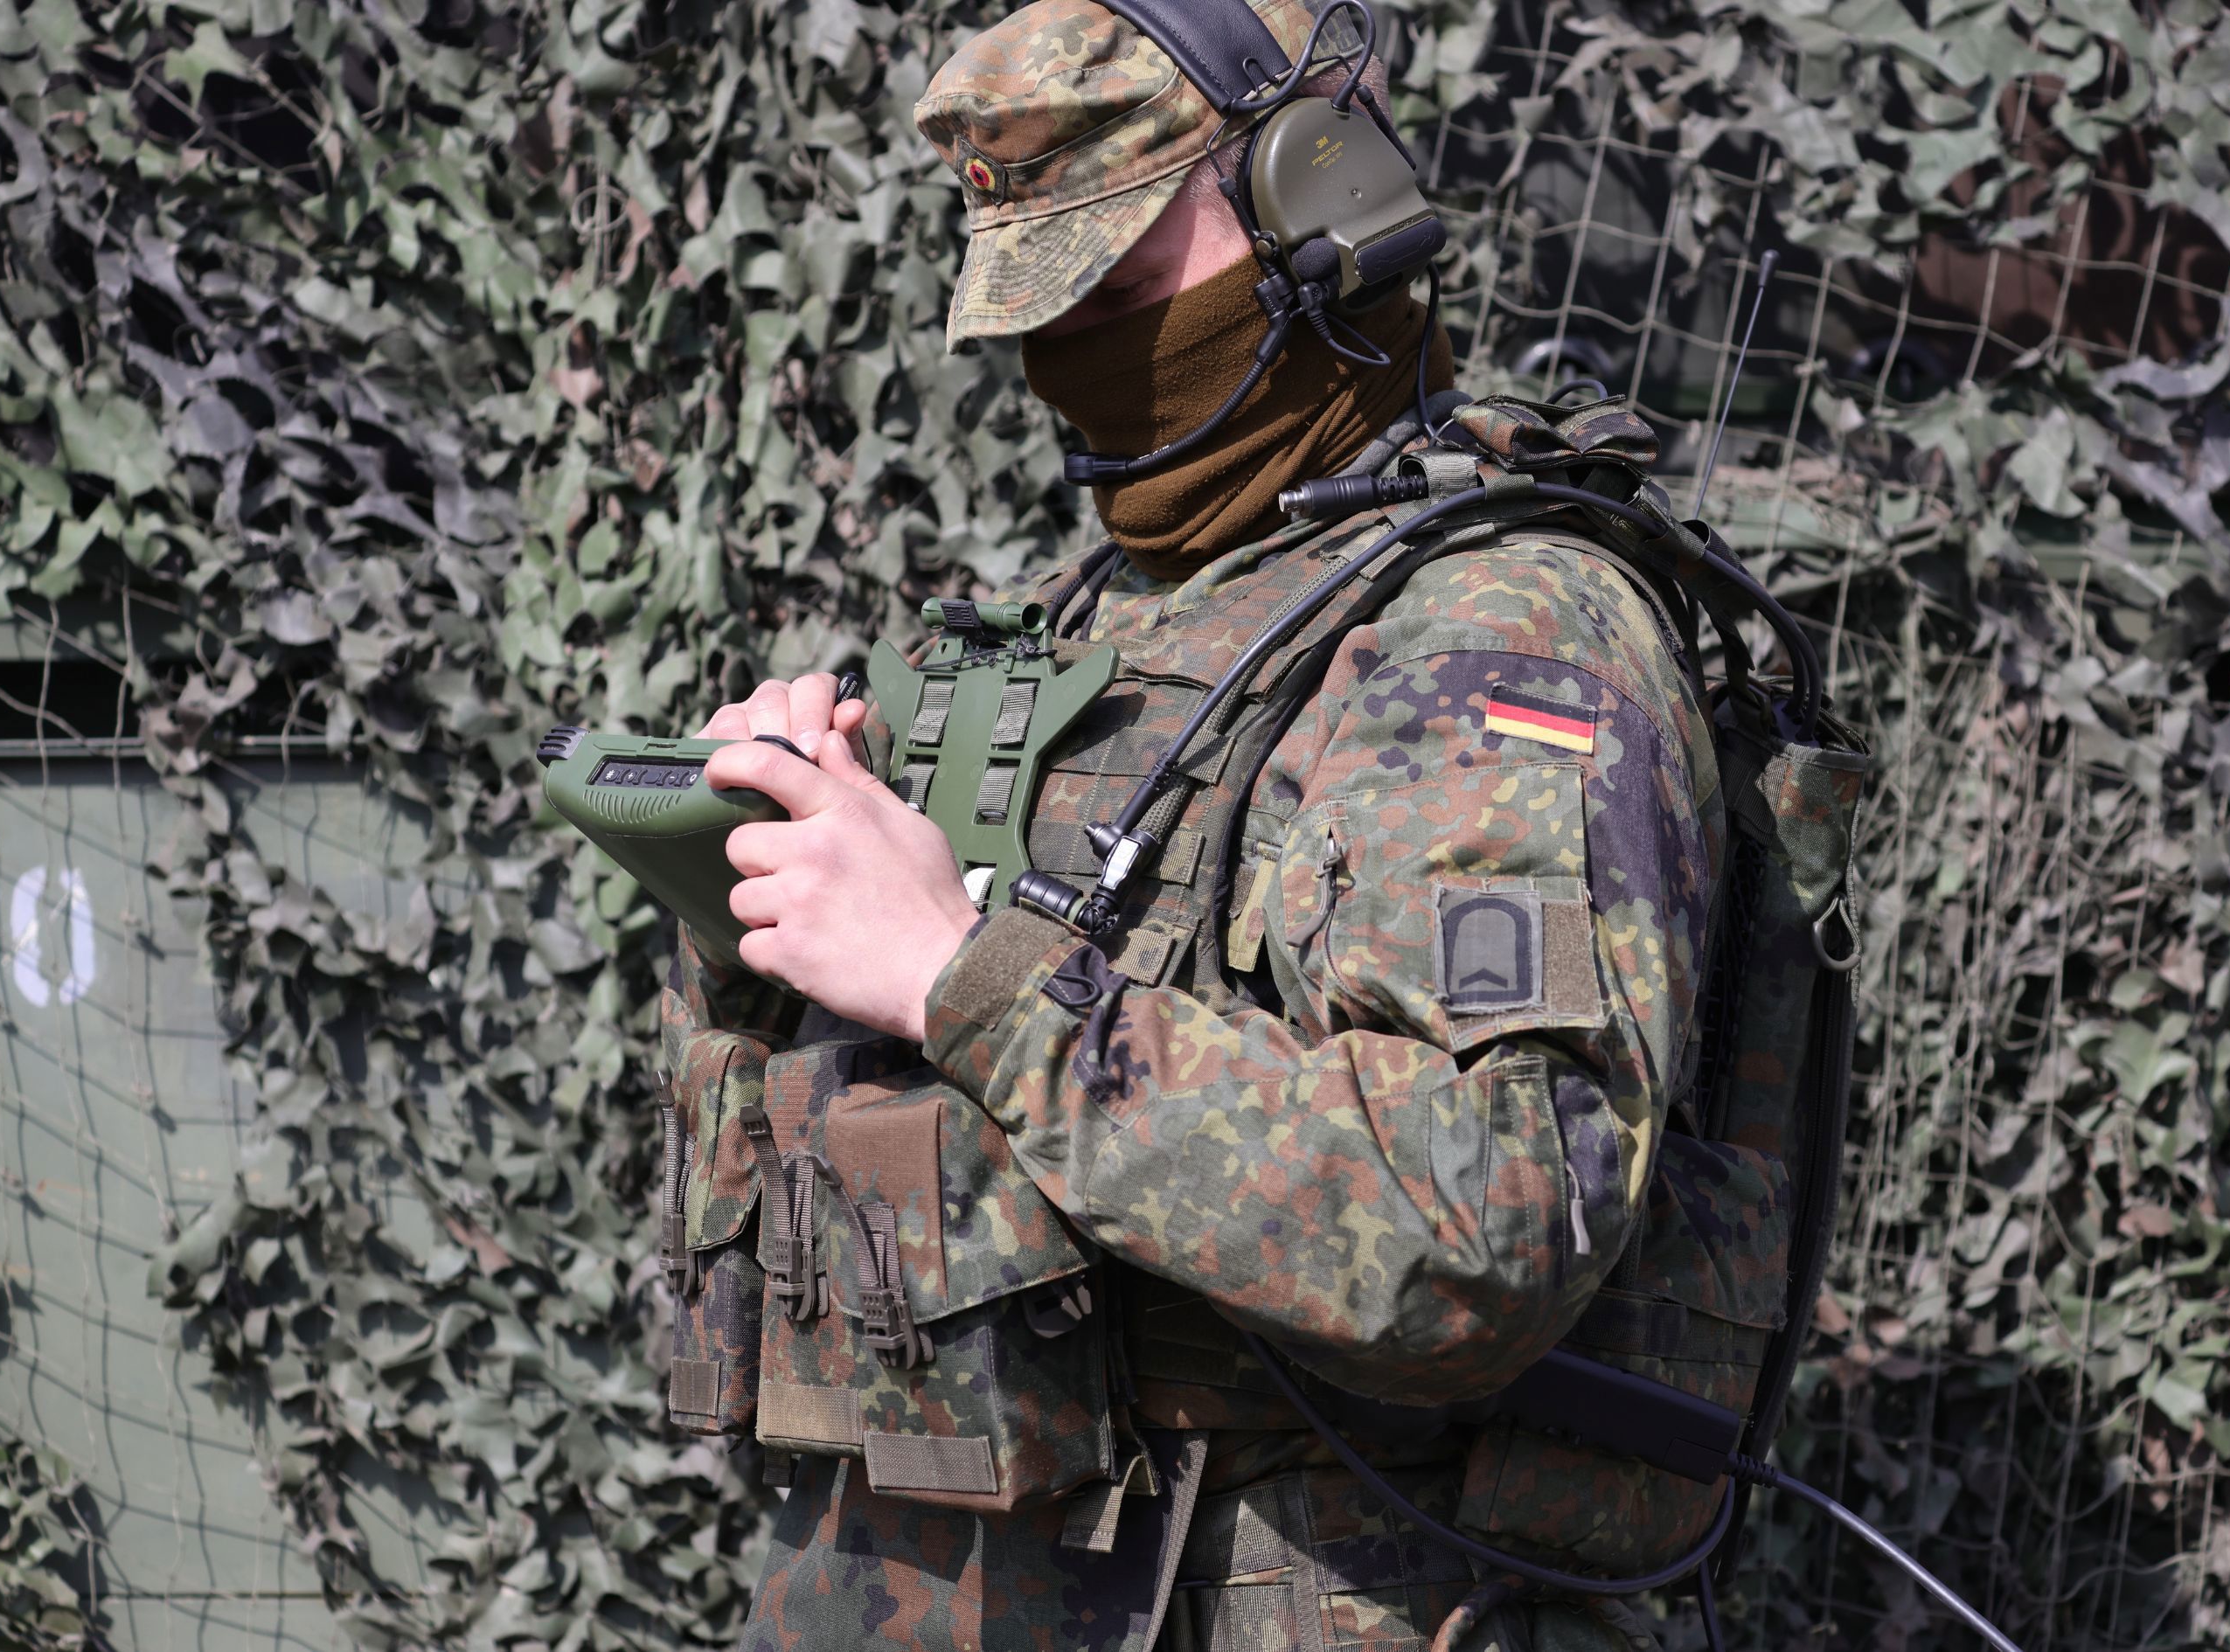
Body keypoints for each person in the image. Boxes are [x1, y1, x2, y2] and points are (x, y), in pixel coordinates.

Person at [670, 3, 1727, 1648]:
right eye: (1040, 301)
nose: (1069, 347)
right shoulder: (1078, 628)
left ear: (1326, 196)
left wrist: (964, 975)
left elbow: (1493, 1216)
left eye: (1113, 280)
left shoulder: (1500, 632)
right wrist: (757, 903)